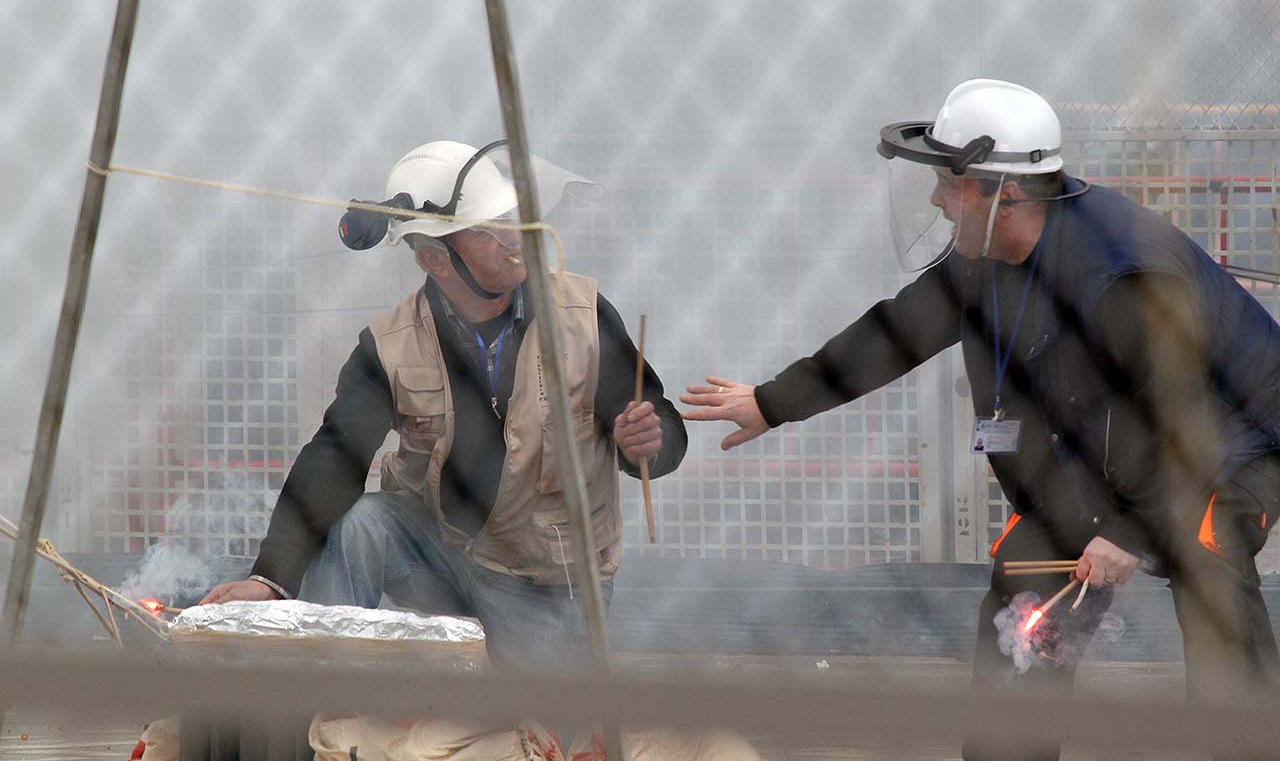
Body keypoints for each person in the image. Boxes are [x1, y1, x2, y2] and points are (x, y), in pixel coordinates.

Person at [682, 80, 1280, 759]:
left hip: (1233, 441)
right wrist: (771, 402)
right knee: (1026, 581)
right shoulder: (983, 260)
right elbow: (894, 332)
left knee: (1207, 559)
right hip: (1108, 450)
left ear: (1004, 195)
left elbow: (1182, 421)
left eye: (948, 184)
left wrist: (1127, 531)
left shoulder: (1122, 278)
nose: (936, 199)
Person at [201, 139, 687, 671]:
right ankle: (321, 691)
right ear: (436, 257)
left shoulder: (581, 316)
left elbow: (657, 422)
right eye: (488, 229)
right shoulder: (388, 345)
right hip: (438, 559)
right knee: (364, 522)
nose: (514, 240)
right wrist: (269, 578)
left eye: (512, 218)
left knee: (532, 739)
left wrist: (649, 443)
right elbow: (332, 458)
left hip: (546, 584)